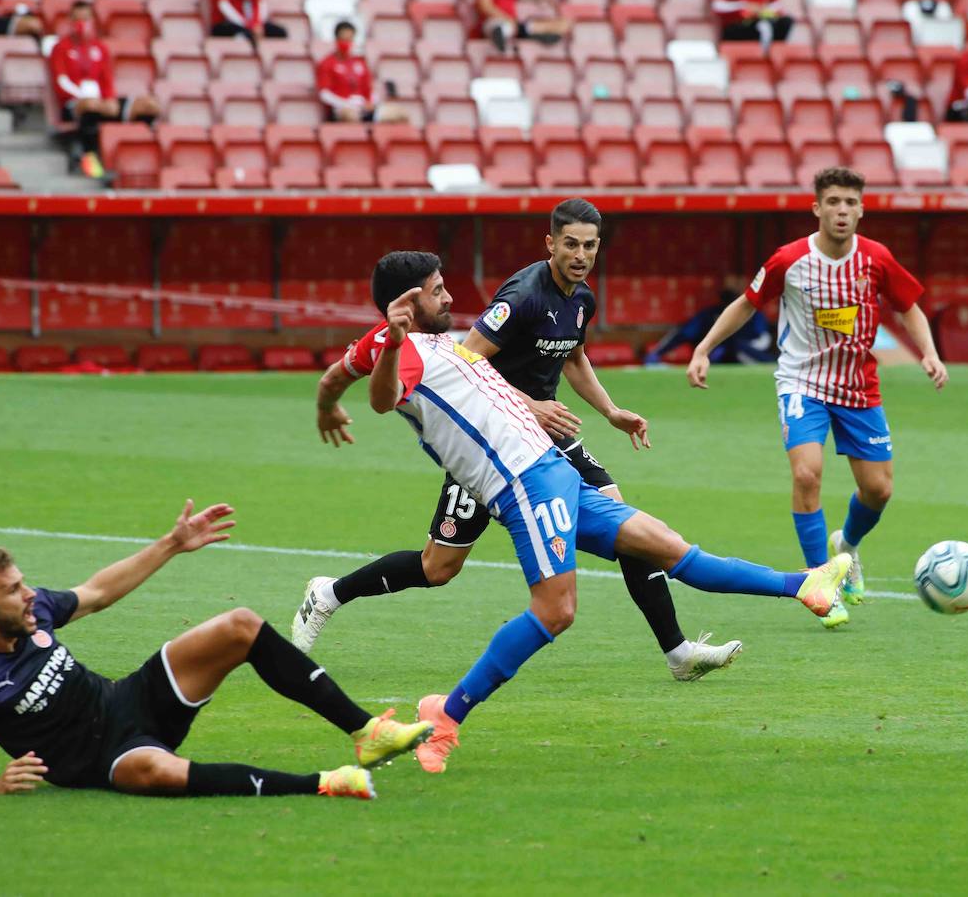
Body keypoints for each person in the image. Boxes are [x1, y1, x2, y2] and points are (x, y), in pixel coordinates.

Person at [319, 250, 850, 774]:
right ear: (406, 302)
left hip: (552, 470)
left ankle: (804, 586)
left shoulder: (428, 341)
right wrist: (388, 346)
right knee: (555, 610)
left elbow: (335, 377)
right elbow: (384, 400)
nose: (450, 296)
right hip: (521, 484)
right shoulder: (404, 347)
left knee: (666, 546)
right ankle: (447, 714)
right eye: (438, 289)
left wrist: (327, 403)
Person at [298, 201, 749, 683]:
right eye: (571, 244)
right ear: (550, 243)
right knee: (438, 567)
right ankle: (330, 593)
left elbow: (573, 357)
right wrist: (530, 406)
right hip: (491, 447)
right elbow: (467, 357)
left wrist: (611, 411)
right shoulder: (524, 295)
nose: (581, 254)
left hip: (548, 444)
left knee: (632, 533)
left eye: (589, 245)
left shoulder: (581, 299)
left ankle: (678, 652)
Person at [0, 502, 434, 799]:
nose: (28, 594)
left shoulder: (33, 611)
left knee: (239, 625)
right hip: (105, 759)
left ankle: (368, 731)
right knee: (152, 770)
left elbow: (97, 593)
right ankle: (325, 782)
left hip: (129, 700)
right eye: (13, 590)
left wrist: (172, 543)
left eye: (23, 585)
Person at [685, 167, 949, 627]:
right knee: (807, 474)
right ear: (817, 208)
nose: (842, 211)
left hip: (858, 387)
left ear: (861, 209)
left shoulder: (877, 259)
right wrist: (704, 349)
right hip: (801, 382)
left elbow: (909, 308)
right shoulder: (790, 260)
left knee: (879, 489)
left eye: (850, 203)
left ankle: (846, 547)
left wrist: (928, 353)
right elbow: (747, 302)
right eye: (833, 202)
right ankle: (820, 583)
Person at [48, 0, 159, 180]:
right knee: (90, 107)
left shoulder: (100, 49)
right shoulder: (61, 48)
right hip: (73, 104)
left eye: (86, 19)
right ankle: (89, 157)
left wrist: (109, 100)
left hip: (100, 102)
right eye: (78, 19)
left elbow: (106, 80)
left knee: (148, 106)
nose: (82, 24)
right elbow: (61, 82)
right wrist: (84, 98)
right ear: (70, 21)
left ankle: (133, 160)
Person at [643, 289, 775, 366]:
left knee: (736, 348)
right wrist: (658, 353)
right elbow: (684, 333)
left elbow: (763, 339)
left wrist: (732, 348)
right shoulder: (709, 314)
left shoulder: (753, 313)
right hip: (712, 358)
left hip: (748, 353)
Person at [317, 21, 406, 124]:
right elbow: (324, 94)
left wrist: (371, 102)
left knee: (400, 114)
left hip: (363, 107)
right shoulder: (327, 63)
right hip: (342, 109)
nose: (347, 43)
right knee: (351, 117)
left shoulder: (360, 62)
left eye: (350, 39)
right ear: (336, 39)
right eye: (344, 39)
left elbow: (369, 89)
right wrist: (345, 104)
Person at [475, 0, 572, 54]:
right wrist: (507, 19)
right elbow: (485, 6)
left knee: (563, 24)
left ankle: (524, 34)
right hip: (495, 20)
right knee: (500, 26)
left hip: (515, 23)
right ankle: (505, 34)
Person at [712, 0, 793, 51]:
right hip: (738, 25)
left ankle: (775, 55)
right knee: (763, 26)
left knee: (786, 21)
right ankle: (762, 55)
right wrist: (742, 5)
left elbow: (776, 4)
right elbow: (717, 5)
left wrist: (763, 10)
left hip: (761, 19)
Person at [209, 0, 287, 45]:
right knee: (242, 35)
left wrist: (257, 23)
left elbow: (260, 2)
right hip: (227, 23)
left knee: (279, 32)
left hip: (251, 24)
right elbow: (223, 5)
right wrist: (247, 25)